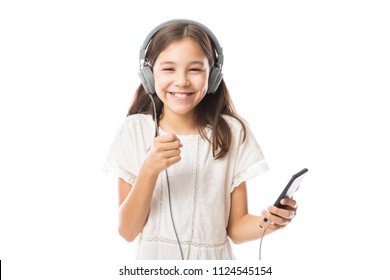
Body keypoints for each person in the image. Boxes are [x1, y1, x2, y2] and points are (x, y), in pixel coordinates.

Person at [102, 19, 298, 260]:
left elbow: (235, 229)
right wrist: (149, 169)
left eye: (195, 69)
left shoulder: (231, 133)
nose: (182, 81)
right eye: (168, 68)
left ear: (213, 75)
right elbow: (128, 231)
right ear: (149, 75)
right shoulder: (135, 131)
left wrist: (269, 223)